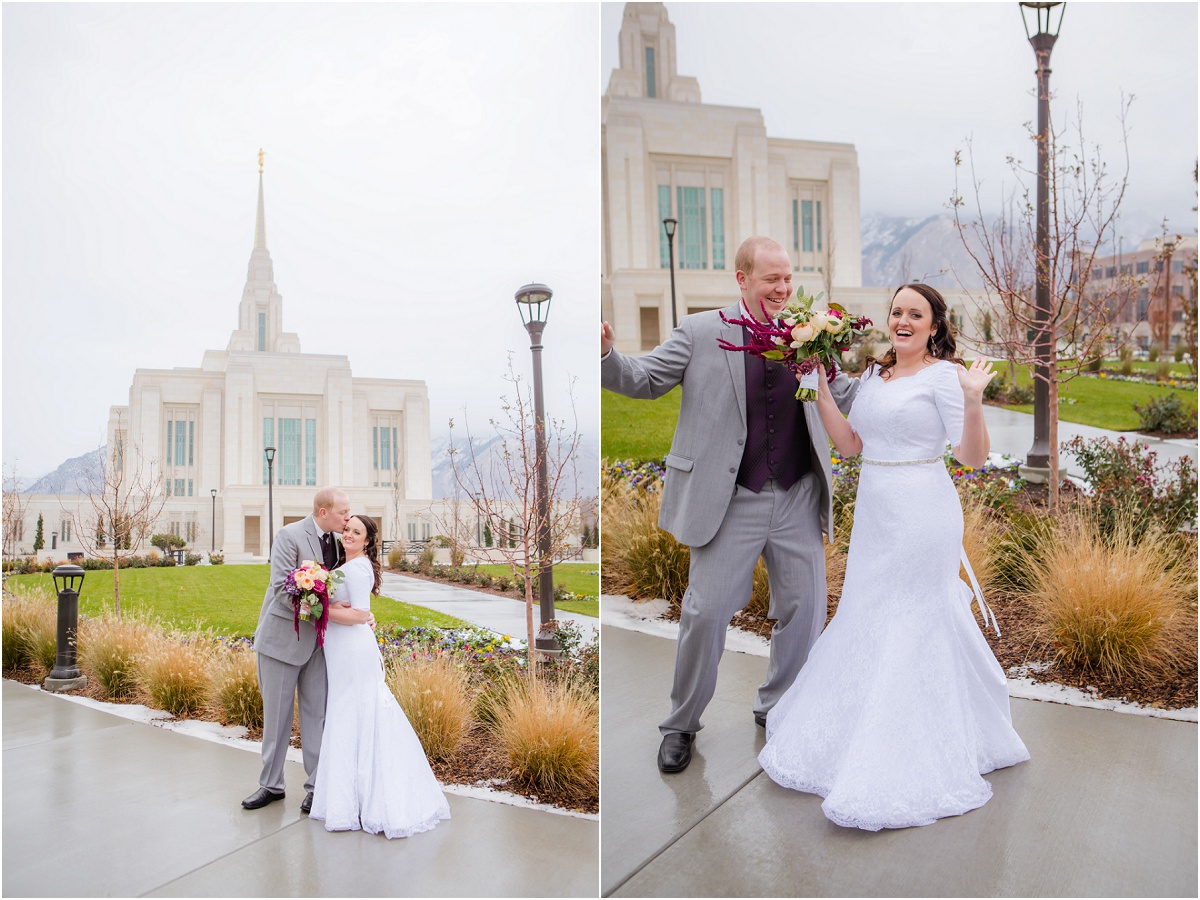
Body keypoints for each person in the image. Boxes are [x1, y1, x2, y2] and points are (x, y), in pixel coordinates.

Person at [758, 283, 1030, 831]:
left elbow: (972, 459)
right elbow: (852, 446)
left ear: (934, 325)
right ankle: (857, 730)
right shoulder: (873, 375)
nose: (903, 320)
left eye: (916, 314)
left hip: (923, 511)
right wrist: (822, 391)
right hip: (877, 511)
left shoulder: (947, 378)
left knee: (913, 618)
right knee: (867, 612)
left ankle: (903, 744)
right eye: (897, 311)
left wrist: (975, 400)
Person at [601, 235, 858, 774]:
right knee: (705, 613)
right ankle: (681, 725)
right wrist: (604, 354)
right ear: (742, 279)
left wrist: (907, 376)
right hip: (729, 499)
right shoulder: (699, 332)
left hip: (797, 493)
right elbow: (645, 380)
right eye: (772, 279)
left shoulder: (809, 332)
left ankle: (779, 706)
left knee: (805, 611)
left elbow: (845, 394)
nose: (783, 288)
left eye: (788, 278)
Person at [309, 513, 451, 838]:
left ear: (368, 540)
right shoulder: (348, 565)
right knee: (349, 714)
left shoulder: (357, 568)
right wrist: (319, 602)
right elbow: (357, 612)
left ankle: (363, 803)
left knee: (354, 713)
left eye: (356, 532)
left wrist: (314, 606)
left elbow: (359, 614)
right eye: (347, 529)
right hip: (342, 649)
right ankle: (351, 800)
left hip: (352, 651)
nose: (349, 534)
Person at [243, 486, 349, 813]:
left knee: (317, 718)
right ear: (323, 512)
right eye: (343, 512)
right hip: (281, 643)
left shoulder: (341, 543)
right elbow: (280, 590)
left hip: (319, 647)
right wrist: (325, 612)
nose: (348, 516)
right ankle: (271, 786)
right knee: (277, 719)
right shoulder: (289, 536)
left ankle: (317, 787)